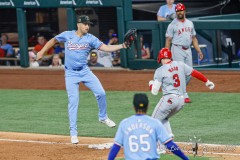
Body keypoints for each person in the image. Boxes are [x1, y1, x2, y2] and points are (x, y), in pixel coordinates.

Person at [36, 15, 128, 144]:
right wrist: (42, 52)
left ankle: (103, 117)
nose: (87, 26)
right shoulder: (68, 35)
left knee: (101, 93)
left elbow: (106, 48)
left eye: (89, 24)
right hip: (70, 74)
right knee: (73, 102)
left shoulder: (90, 38)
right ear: (79, 24)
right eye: (85, 24)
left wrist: (123, 45)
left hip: (85, 71)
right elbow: (53, 40)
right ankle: (73, 133)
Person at [149, 48, 214, 152]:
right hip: (181, 101)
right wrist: (207, 81)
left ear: (160, 58)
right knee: (163, 118)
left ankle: (159, 147)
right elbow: (194, 73)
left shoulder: (160, 70)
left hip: (169, 100)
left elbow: (154, 91)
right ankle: (168, 135)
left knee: (153, 122)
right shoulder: (180, 64)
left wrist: (151, 83)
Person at [108, 93, 189, 160]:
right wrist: (186, 159)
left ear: (134, 106)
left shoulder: (124, 123)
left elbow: (116, 147)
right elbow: (169, 145)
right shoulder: (155, 123)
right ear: (148, 106)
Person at [165, 3, 204, 103]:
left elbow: (194, 38)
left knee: (190, 73)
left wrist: (199, 51)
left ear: (184, 11)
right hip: (177, 49)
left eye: (181, 10)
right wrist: (166, 55)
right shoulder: (172, 25)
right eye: (178, 11)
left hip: (188, 49)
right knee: (181, 72)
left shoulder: (190, 23)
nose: (179, 12)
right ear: (176, 12)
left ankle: (175, 90)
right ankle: (184, 94)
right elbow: (168, 41)